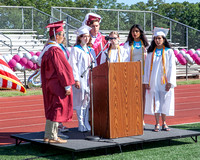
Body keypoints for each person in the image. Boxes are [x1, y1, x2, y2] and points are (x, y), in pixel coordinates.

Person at [39, 21, 75, 143]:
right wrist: (67, 86)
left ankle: (48, 135)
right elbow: (62, 69)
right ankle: (53, 136)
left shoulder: (47, 49)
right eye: (62, 34)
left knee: (52, 108)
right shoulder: (55, 50)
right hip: (57, 84)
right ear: (57, 35)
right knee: (57, 108)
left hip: (49, 83)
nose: (63, 37)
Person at [144, 27, 176, 132]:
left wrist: (170, 82)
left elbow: (172, 67)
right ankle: (157, 123)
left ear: (164, 39)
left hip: (164, 81)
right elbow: (147, 68)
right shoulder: (150, 53)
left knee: (165, 101)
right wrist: (146, 81)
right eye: (156, 38)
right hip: (153, 81)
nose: (158, 40)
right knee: (156, 101)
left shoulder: (169, 52)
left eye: (160, 38)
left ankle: (165, 123)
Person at [69, 25, 96, 132]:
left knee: (88, 100)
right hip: (80, 79)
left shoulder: (91, 50)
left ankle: (85, 122)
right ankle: (80, 123)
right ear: (79, 37)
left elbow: (95, 64)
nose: (86, 38)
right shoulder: (75, 49)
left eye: (88, 36)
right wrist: (76, 79)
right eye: (84, 36)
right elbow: (73, 65)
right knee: (80, 100)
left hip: (90, 79)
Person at [124, 24, 149, 128]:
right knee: (131, 96)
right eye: (133, 31)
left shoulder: (146, 45)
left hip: (142, 73)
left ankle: (141, 118)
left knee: (142, 96)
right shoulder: (128, 44)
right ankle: (132, 117)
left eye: (137, 31)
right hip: (131, 73)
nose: (134, 33)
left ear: (141, 32)